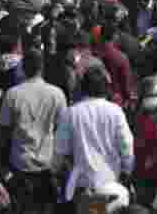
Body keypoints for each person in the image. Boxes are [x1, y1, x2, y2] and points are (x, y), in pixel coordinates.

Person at [53, 66, 135, 207]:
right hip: (112, 186)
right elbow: (127, 146)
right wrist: (126, 172)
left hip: (84, 189)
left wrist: (56, 172)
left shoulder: (71, 113)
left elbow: (59, 152)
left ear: (83, 87)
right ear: (106, 88)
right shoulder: (116, 111)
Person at [0, 48, 67, 214]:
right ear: (42, 67)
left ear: (23, 67)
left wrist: (1, 159)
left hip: (20, 163)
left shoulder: (12, 94)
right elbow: (63, 132)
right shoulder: (57, 94)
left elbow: (4, 131)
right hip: (47, 164)